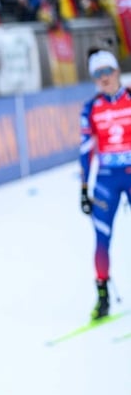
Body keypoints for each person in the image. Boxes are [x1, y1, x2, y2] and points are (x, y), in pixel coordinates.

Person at [79, 47, 129, 320]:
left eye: (107, 71)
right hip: (107, 179)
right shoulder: (91, 108)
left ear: (116, 70)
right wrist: (84, 189)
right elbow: (85, 150)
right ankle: (103, 298)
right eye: (98, 74)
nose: (104, 77)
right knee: (101, 239)